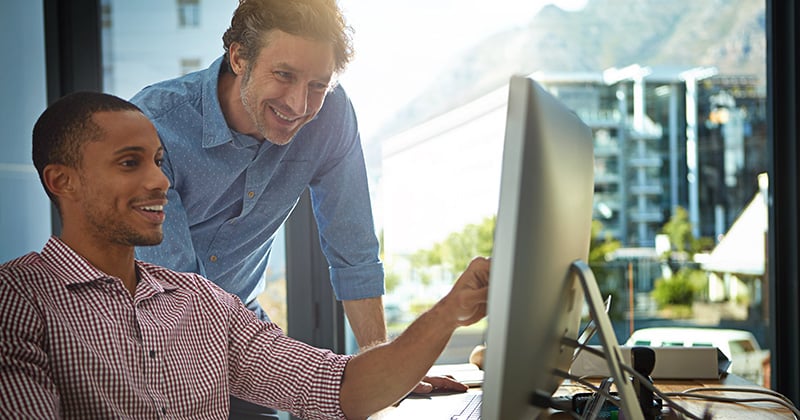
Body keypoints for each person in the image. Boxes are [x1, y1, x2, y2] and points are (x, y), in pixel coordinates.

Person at [0, 91, 490, 419]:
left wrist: (449, 313)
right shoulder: (17, 300)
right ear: (62, 181)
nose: (160, 181)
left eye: (156, 160)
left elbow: (340, 387)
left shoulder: (204, 303)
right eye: (130, 163)